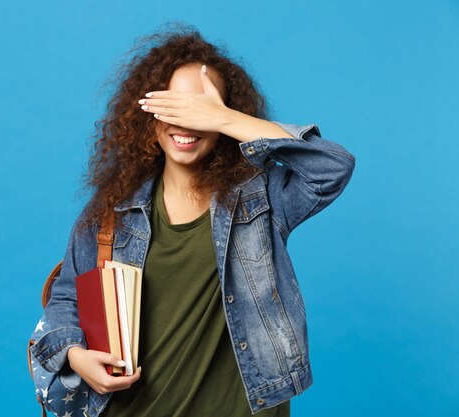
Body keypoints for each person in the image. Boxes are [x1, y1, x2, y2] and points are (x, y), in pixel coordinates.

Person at [29, 25, 355, 417]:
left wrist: (226, 118)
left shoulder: (263, 198)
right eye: (173, 106)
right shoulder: (110, 211)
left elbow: (331, 168)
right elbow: (66, 298)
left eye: (200, 109)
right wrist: (77, 356)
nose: (186, 122)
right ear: (147, 115)